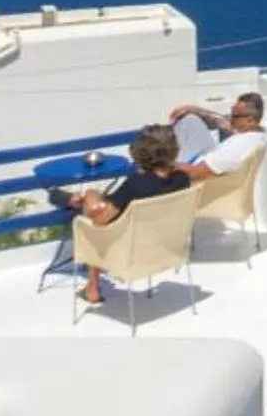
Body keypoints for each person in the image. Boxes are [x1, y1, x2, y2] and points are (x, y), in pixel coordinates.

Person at [54, 124, 195, 304]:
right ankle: (78, 198)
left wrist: (91, 195)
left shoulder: (136, 184)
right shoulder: (183, 179)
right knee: (102, 205)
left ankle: (92, 287)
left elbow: (99, 219)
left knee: (96, 215)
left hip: (131, 251)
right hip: (166, 248)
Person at [171, 90, 267, 183]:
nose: (230, 118)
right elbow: (223, 121)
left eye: (234, 116)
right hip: (208, 155)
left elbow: (195, 173)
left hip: (192, 167)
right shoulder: (259, 134)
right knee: (191, 120)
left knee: (178, 131)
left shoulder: (234, 149)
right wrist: (194, 110)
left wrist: (163, 165)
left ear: (250, 120)